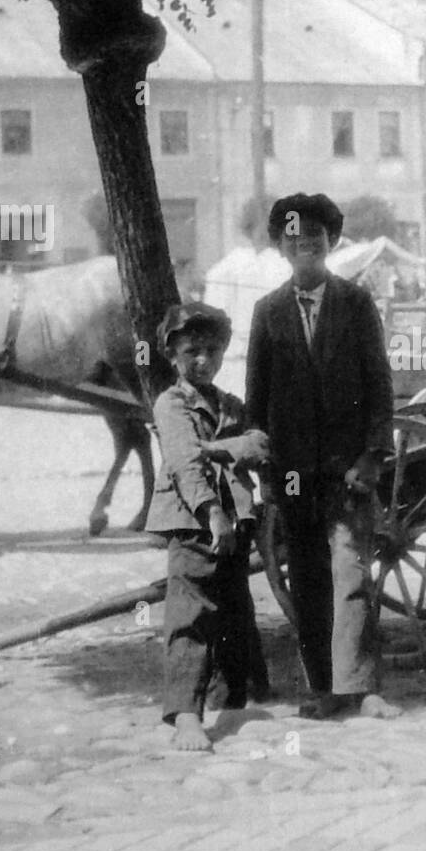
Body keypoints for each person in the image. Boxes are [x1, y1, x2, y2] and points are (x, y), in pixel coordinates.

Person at [244, 193, 400, 720]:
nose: (304, 243)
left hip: (348, 468)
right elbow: (256, 402)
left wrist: (373, 456)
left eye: (314, 235)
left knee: (352, 572)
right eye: (292, 236)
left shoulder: (356, 305)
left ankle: (362, 687)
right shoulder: (267, 313)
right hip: (292, 475)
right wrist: (267, 473)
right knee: (309, 577)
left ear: (330, 243)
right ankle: (326, 690)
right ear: (279, 247)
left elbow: (380, 389)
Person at [145, 302, 271, 752]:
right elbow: (183, 461)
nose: (203, 360)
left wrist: (214, 448)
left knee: (236, 613)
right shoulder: (171, 403)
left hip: (235, 521)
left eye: (212, 351)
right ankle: (184, 715)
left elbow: (259, 443)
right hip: (192, 522)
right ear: (173, 355)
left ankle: (231, 702)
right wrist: (210, 512)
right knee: (191, 616)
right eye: (191, 350)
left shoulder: (229, 404)